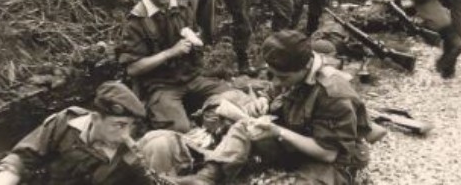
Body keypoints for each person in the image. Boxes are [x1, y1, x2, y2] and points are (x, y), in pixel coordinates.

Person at [159, 30, 371, 185]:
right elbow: (275, 89)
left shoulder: (333, 94)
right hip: (296, 142)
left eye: (283, 77)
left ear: (306, 66)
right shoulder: (293, 70)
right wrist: (264, 100)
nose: (277, 82)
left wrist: (278, 131)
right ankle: (205, 179)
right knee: (244, 126)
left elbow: (328, 154)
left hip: (331, 161)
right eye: (273, 75)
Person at [117, 0, 229, 133]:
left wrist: (195, 42)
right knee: (179, 130)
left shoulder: (183, 9)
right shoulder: (137, 20)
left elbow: (196, 48)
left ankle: (201, 117)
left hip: (192, 78)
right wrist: (170, 53)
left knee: (234, 100)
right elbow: (133, 69)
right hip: (161, 85)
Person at [0, 81, 152, 185]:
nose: (126, 135)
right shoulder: (66, 122)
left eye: (130, 126)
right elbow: (25, 155)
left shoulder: (131, 154)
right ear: (95, 118)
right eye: (119, 125)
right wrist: (3, 179)